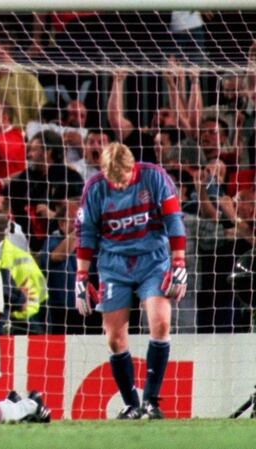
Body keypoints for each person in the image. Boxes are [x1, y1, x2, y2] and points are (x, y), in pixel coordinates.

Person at [75, 143, 187, 419]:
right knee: (114, 339)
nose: (120, 184)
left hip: (153, 260)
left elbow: (174, 220)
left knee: (160, 323)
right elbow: (86, 233)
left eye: (123, 178)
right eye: (113, 179)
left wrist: (179, 262)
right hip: (114, 266)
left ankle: (151, 401)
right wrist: (81, 275)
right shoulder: (95, 188)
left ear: (132, 167)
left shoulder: (155, 177)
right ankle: (130, 404)